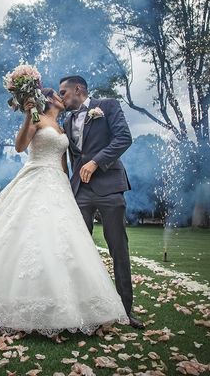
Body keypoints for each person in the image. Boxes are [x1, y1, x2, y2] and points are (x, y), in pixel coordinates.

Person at [0, 88, 128, 336]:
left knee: (59, 240)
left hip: (57, 185)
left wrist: (66, 186)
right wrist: (28, 115)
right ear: (48, 99)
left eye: (64, 93)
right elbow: (20, 147)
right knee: (27, 234)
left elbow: (64, 161)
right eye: (58, 94)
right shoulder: (37, 119)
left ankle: (68, 299)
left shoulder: (63, 125)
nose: (63, 98)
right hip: (35, 177)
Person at [58, 75, 144, 329]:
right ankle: (80, 308)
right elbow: (73, 155)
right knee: (76, 248)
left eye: (63, 92)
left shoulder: (107, 106)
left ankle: (125, 311)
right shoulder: (67, 118)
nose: (61, 98)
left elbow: (123, 139)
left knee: (118, 248)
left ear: (78, 89)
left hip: (109, 187)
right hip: (80, 191)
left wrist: (96, 162)